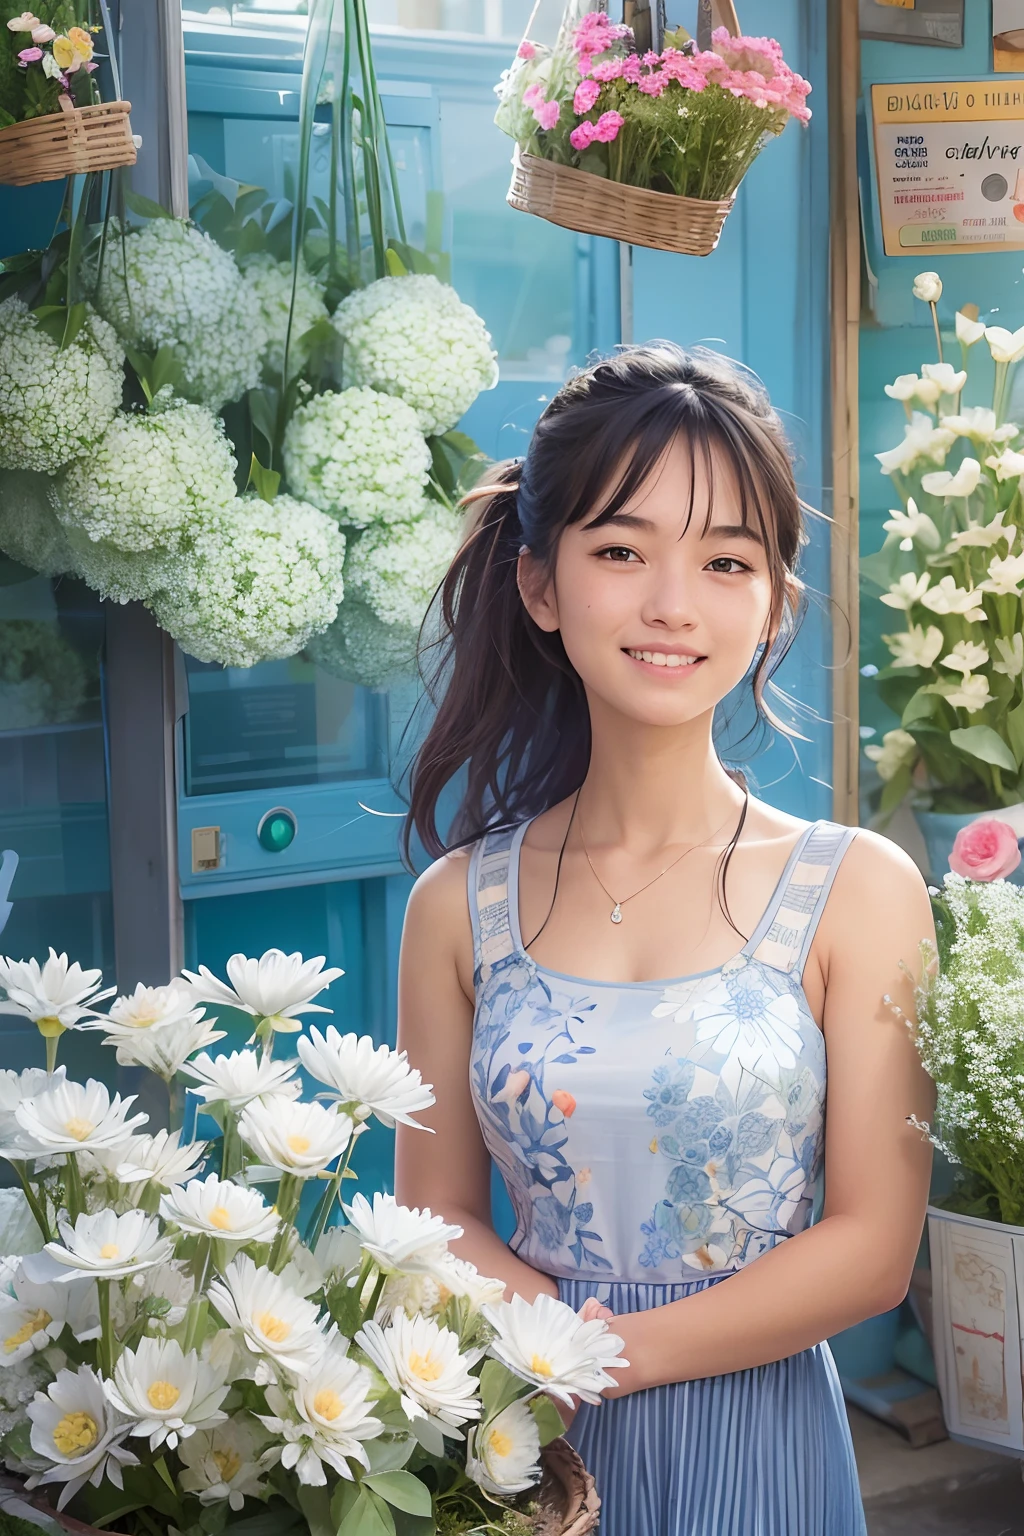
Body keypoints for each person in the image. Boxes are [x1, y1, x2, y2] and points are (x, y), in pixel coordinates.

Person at [395, 343, 936, 1535]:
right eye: (621, 551)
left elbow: (872, 1248)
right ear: (541, 586)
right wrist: (556, 1355)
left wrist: (612, 1356)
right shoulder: (457, 903)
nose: (672, 605)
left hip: (759, 1445)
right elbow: (436, 1217)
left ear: (773, 600)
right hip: (528, 1446)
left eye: (726, 560)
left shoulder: (858, 889)